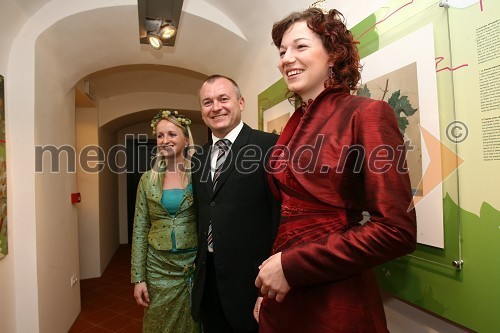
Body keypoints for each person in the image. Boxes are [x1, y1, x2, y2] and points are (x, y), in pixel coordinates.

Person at [254, 8, 418, 332]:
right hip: (284, 298)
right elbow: (289, 218)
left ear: (332, 54)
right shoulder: (294, 125)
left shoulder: (368, 114)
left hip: (336, 302)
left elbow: (397, 231)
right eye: (282, 51)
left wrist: (291, 266)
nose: (286, 58)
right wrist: (269, 287)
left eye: (300, 47)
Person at [190, 75, 280, 333]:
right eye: (207, 102)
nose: (215, 107)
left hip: (252, 282)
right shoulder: (199, 157)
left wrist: (268, 285)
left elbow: (280, 217)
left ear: (241, 102)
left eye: (223, 99)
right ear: (202, 111)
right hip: (209, 282)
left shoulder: (270, 146)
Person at [131, 110, 201, 333]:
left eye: (171, 134)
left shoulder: (200, 175)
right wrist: (138, 278)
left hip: (191, 265)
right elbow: (140, 229)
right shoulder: (147, 179)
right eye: (160, 136)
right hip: (157, 267)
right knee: (156, 323)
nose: (165, 140)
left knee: (192, 323)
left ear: (186, 139)